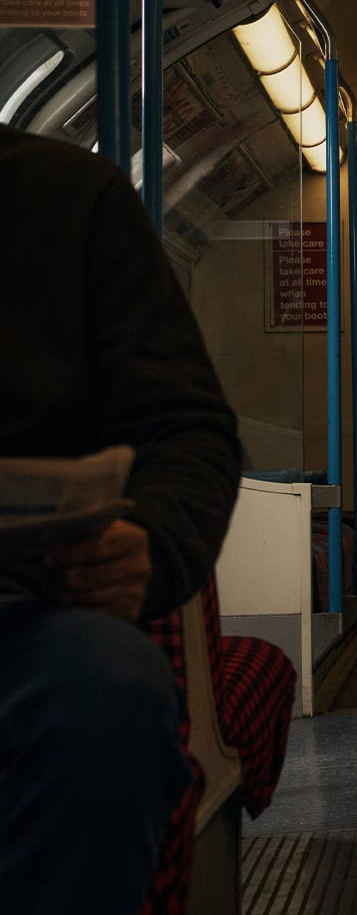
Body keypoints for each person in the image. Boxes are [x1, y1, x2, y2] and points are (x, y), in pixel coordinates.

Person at [0, 124, 242, 913]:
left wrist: (150, 540)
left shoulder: (69, 197)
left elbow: (186, 429)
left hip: (24, 604)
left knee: (105, 686)